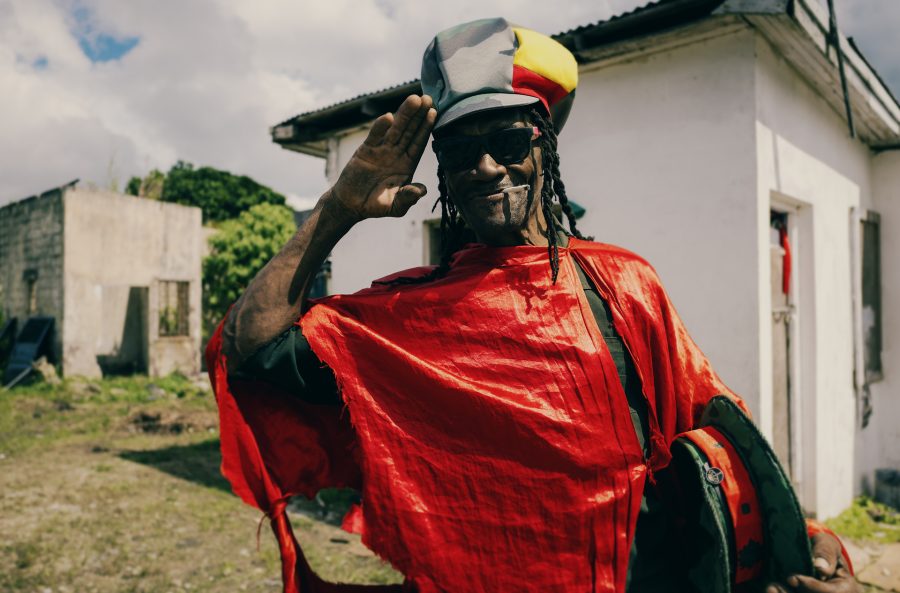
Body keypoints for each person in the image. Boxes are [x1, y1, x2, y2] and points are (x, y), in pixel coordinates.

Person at [209, 18, 860, 593]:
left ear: (545, 147)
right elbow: (250, 345)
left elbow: (722, 446)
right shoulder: (407, 320)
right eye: (462, 152)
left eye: (509, 141)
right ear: (446, 175)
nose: (487, 166)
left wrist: (798, 539)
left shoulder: (623, 288)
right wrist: (337, 209)